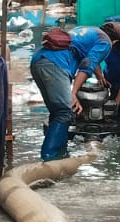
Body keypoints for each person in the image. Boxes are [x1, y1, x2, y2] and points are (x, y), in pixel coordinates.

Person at [29, 24, 111, 160]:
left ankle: (61, 156)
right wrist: (73, 93)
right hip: (55, 63)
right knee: (65, 113)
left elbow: (91, 58)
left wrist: (100, 76)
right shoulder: (106, 42)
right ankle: (49, 159)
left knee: (57, 113)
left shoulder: (88, 31)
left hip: (39, 59)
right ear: (115, 41)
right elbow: (87, 64)